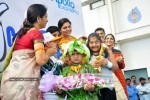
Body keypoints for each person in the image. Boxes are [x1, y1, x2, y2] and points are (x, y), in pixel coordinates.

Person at [1, 4, 57, 100]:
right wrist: (50, 52)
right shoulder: (36, 33)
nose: (47, 20)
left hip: (11, 78)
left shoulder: (20, 33)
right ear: (39, 18)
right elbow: (40, 61)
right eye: (46, 17)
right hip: (24, 81)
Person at [87, 33, 118, 100]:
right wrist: (90, 66)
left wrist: (107, 63)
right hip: (95, 89)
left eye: (96, 42)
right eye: (91, 43)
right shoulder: (86, 55)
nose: (94, 45)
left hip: (109, 87)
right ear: (88, 44)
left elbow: (116, 68)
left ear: (100, 42)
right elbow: (84, 72)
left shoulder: (107, 52)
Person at [104, 33, 128, 98]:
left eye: (111, 39)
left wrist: (120, 62)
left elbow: (122, 66)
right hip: (107, 76)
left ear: (114, 41)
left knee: (122, 94)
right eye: (107, 38)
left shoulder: (118, 52)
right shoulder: (102, 51)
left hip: (118, 75)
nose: (109, 40)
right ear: (104, 41)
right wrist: (115, 60)